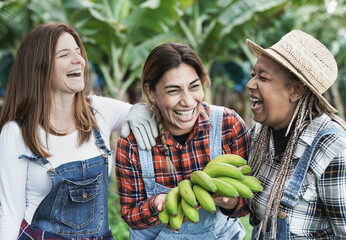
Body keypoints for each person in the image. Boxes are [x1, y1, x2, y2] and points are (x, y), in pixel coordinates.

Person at [0, 22, 157, 239]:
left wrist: (139, 109)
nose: (79, 60)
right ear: (39, 66)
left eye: (78, 52)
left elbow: (161, 117)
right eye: (64, 54)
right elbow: (9, 213)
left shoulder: (100, 110)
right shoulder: (15, 133)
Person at [115, 42, 250, 240]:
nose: (187, 101)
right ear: (151, 92)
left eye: (194, 87)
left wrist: (230, 203)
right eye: (173, 91)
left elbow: (248, 203)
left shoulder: (228, 125)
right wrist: (156, 205)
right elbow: (130, 215)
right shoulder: (134, 141)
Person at [244, 30, 346, 239]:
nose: (250, 84)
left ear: (296, 91)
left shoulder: (332, 147)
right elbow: (259, 216)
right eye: (253, 75)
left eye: (263, 77)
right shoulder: (261, 135)